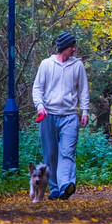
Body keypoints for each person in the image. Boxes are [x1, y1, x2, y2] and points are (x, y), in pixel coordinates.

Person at [31, 31, 90, 200]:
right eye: (72, 46)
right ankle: (55, 188)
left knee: (68, 152)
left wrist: (84, 110)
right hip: (48, 115)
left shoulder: (78, 66)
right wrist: (40, 106)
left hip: (70, 116)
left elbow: (83, 90)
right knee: (50, 154)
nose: (74, 49)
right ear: (64, 47)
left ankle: (66, 185)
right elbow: (37, 89)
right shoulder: (46, 65)